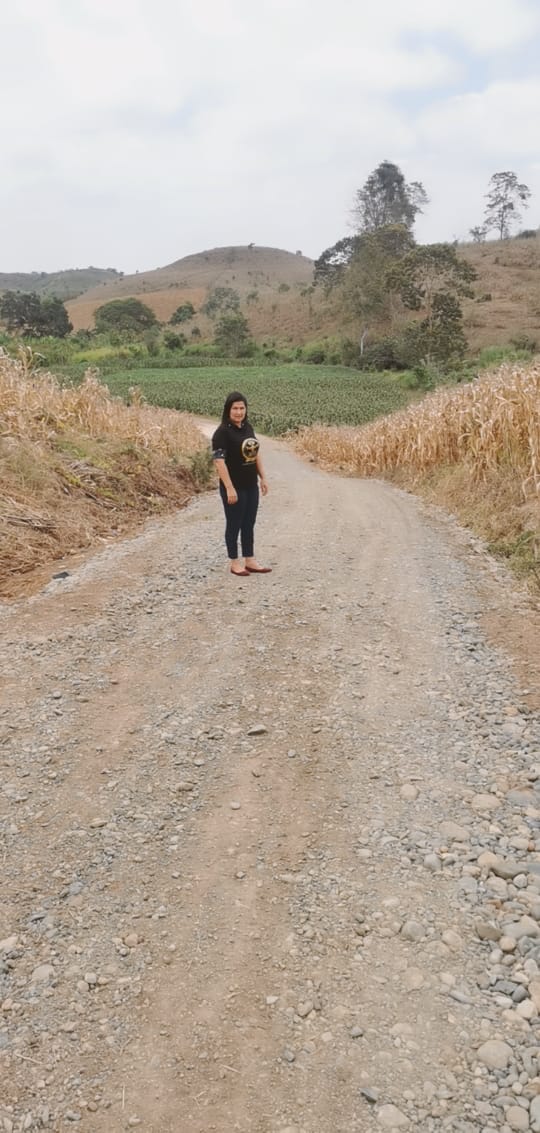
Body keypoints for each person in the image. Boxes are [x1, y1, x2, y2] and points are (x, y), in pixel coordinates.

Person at [211, 391, 271, 576]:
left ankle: (250, 560)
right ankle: (235, 563)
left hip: (250, 485)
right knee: (234, 523)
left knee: (248, 523)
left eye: (242, 408)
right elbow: (219, 462)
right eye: (235, 408)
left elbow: (255, 453)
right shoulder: (222, 433)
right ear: (228, 410)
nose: (239, 412)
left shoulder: (248, 428)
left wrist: (263, 477)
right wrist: (229, 488)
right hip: (234, 487)